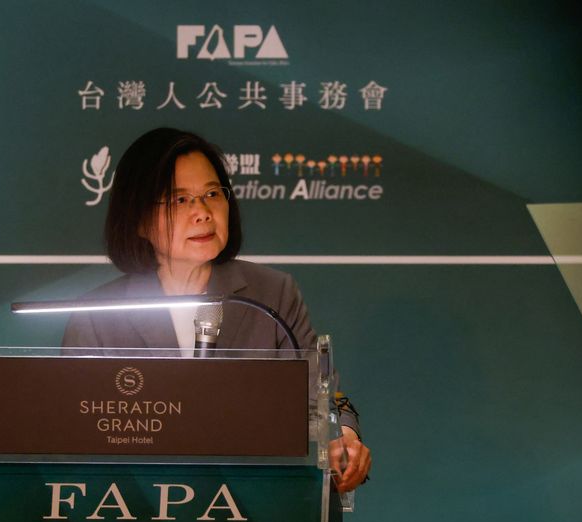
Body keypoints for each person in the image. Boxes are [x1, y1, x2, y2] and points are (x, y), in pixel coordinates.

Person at [63, 127, 371, 491]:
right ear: (139, 220)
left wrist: (344, 433)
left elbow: (328, 398)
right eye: (179, 200)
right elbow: (72, 435)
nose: (203, 213)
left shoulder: (272, 292)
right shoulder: (97, 316)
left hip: (251, 504)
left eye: (212, 194)